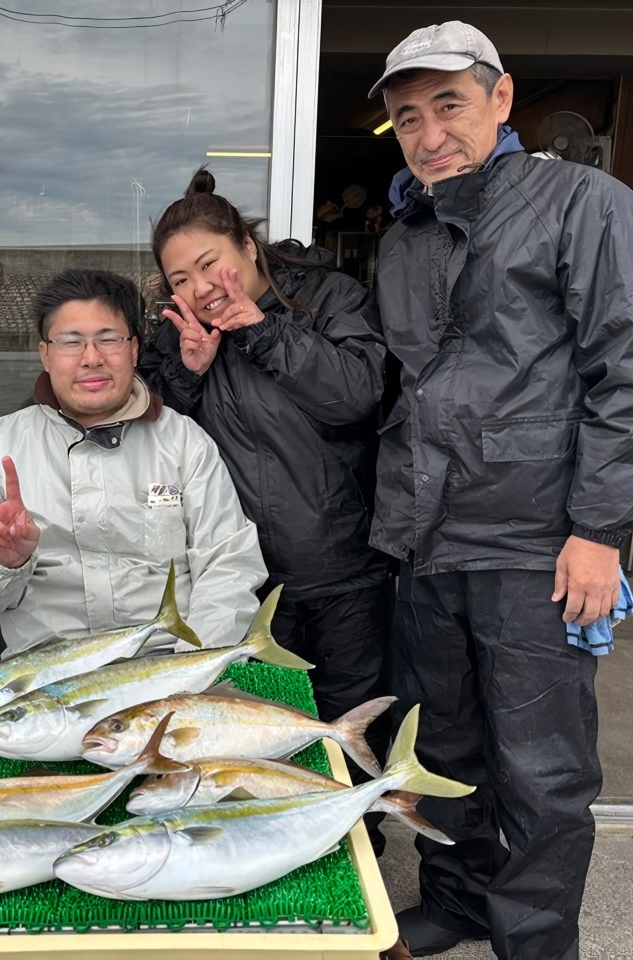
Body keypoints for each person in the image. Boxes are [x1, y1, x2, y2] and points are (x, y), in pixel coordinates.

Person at [366, 21, 633, 959]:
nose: (430, 134)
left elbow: (632, 376)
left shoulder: (586, 202)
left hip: (535, 540)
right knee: (447, 747)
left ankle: (535, 940)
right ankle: (459, 902)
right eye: (409, 117)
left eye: (449, 106)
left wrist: (599, 530)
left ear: (502, 98)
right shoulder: (406, 233)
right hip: (427, 539)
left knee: (542, 769)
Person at [140, 168, 393, 850]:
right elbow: (165, 444)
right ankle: (277, 861)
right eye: (180, 280)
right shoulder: (183, 332)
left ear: (248, 249)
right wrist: (187, 374)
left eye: (207, 265)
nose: (198, 289)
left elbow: (357, 395)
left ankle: (356, 863)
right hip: (249, 584)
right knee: (257, 736)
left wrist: (259, 330)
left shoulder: (330, 298)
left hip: (345, 569)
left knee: (348, 730)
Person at [0, 268, 267, 654]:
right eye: (71, 342)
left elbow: (229, 565)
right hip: (45, 677)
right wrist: (1, 563)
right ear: (44, 354)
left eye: (109, 339)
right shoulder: (1, 447)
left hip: (167, 667)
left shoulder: (183, 442)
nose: (91, 358)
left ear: (135, 349)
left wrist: (188, 672)